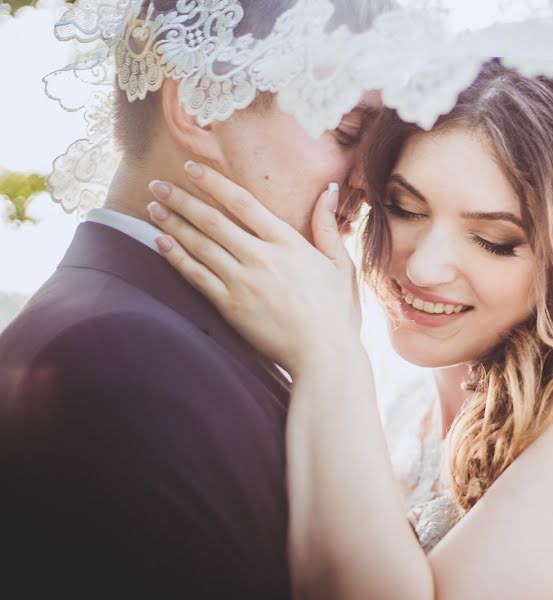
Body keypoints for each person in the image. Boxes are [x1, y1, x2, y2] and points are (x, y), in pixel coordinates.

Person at [147, 57, 553, 599]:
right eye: (404, 209)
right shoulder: (404, 412)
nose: (421, 268)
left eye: (492, 240)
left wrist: (328, 354)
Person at [0, 1, 387, 598]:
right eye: (348, 131)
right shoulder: (118, 359)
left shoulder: (159, 332)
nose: (369, 178)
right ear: (203, 105)